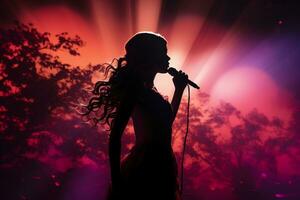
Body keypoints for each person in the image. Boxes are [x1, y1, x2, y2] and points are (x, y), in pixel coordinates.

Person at [82, 32, 188, 200]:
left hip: (162, 166)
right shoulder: (135, 91)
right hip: (145, 167)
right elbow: (115, 136)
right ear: (149, 56)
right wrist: (117, 181)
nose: (168, 58)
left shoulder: (151, 92)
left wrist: (179, 90)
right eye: (163, 52)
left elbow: (165, 124)